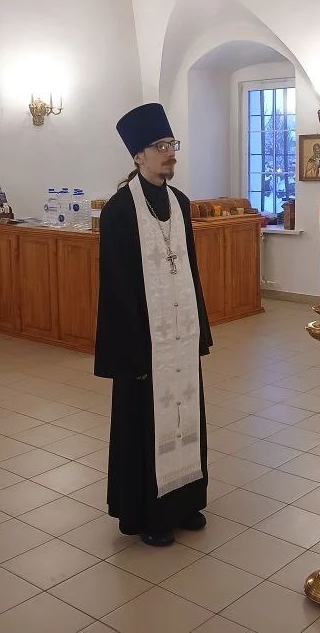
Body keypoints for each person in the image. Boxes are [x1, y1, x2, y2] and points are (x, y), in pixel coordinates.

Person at [95, 102, 212, 548]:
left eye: (171, 144)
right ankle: (148, 513)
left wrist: (199, 331)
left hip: (179, 336)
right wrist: (133, 349)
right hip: (143, 344)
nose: (170, 153)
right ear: (138, 156)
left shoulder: (180, 203)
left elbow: (191, 271)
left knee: (187, 414)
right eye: (160, 147)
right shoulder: (119, 211)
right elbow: (116, 285)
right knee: (145, 423)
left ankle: (186, 502)